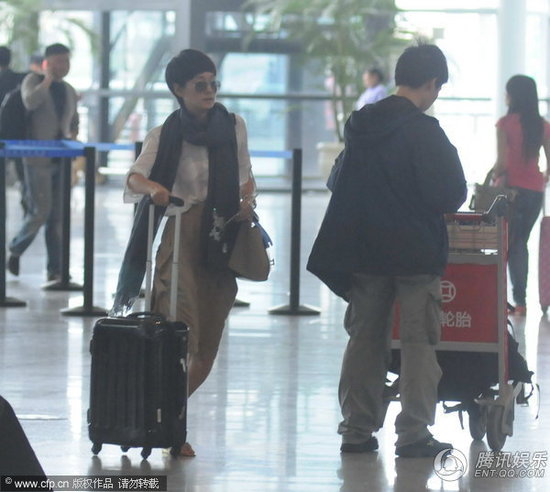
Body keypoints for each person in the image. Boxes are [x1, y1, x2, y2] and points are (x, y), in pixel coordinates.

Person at [307, 44, 467, 458]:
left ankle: (356, 430)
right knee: (418, 344)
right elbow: (452, 192)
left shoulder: (361, 124)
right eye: (437, 88)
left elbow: (339, 180)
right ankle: (413, 434)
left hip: (366, 251)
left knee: (364, 340)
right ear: (430, 83)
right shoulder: (424, 131)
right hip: (415, 254)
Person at [114, 49, 256, 457]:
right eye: (200, 85)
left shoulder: (233, 126)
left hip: (221, 236)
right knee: (181, 332)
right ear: (178, 89)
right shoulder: (165, 133)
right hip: (181, 233)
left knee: (208, 339)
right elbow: (134, 177)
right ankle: (166, 425)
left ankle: (162, 417)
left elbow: (245, 175)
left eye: (213, 84)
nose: (210, 91)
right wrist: (155, 189)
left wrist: (248, 199)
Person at [6, 43, 79, 281]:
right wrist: (46, 80)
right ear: (47, 63)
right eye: (58, 61)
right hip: (36, 158)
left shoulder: (68, 89)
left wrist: (73, 137)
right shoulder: (33, 80)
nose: (63, 66)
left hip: (61, 159)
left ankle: (55, 270)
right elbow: (30, 102)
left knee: (57, 217)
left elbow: (73, 120)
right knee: (40, 211)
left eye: (66, 61)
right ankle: (16, 248)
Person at [493, 75, 550, 315]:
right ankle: (520, 302)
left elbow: (502, 163)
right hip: (534, 192)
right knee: (520, 243)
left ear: (513, 96)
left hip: (511, 192)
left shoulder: (505, 124)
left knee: (509, 244)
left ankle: (511, 300)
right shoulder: (542, 125)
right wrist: (541, 178)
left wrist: (491, 177)